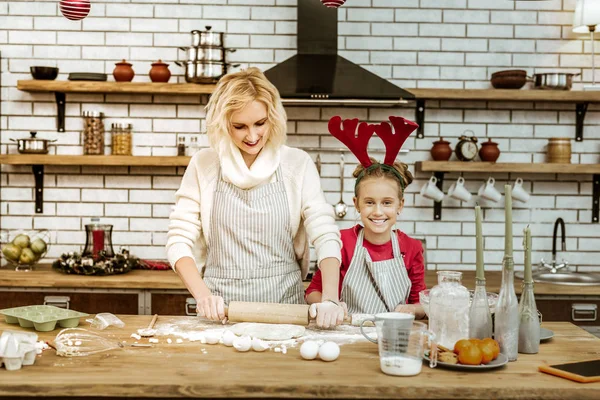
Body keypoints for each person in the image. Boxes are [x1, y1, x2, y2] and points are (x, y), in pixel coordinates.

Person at [166, 67, 345, 328]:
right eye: (239, 126)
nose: (252, 136)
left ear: (272, 117)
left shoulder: (296, 164)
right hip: (221, 310)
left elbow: (325, 234)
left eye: (260, 123)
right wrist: (203, 296)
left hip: (286, 310)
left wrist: (330, 298)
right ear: (223, 123)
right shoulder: (204, 164)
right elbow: (178, 240)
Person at [306, 116, 426, 319]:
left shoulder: (411, 248)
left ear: (400, 205)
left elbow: (421, 304)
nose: (378, 212)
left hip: (392, 336)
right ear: (356, 204)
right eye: (369, 202)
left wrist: (413, 309)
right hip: (347, 332)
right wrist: (330, 304)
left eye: (387, 203)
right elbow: (311, 293)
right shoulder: (342, 242)